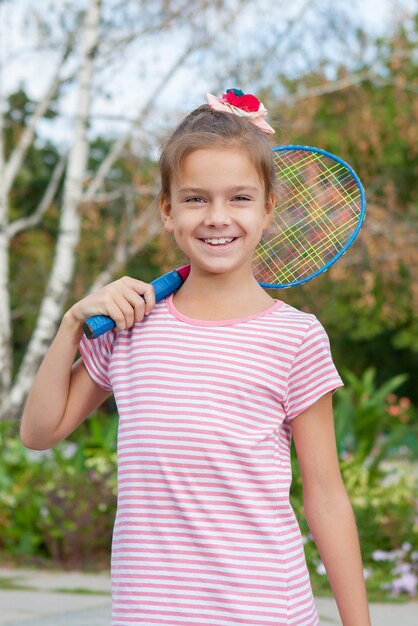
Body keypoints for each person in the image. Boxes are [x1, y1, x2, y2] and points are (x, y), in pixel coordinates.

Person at [21, 89, 371, 626]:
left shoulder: (295, 337)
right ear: (168, 210)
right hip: (148, 615)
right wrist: (72, 326)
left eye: (239, 198)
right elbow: (39, 433)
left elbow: (326, 497)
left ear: (267, 209)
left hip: (265, 612)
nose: (216, 217)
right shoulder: (130, 326)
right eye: (195, 199)